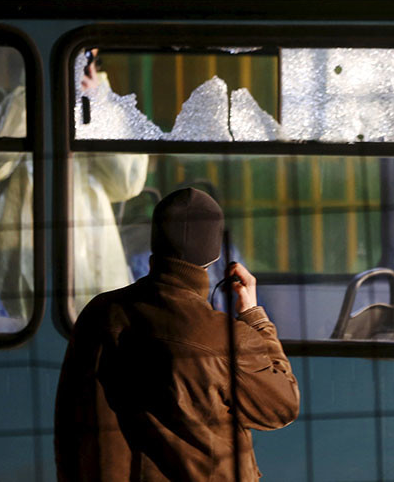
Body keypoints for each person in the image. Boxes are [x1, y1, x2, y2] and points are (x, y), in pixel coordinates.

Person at [54, 188, 300, 481]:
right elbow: (282, 406)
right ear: (216, 254)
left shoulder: (99, 313)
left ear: (155, 242)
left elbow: (69, 424)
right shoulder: (228, 338)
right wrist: (254, 315)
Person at [0, 50, 150, 319]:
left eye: (87, 61)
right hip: (13, 262)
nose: (78, 70)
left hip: (92, 265)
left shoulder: (106, 107)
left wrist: (97, 105)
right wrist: (35, 91)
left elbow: (127, 182)